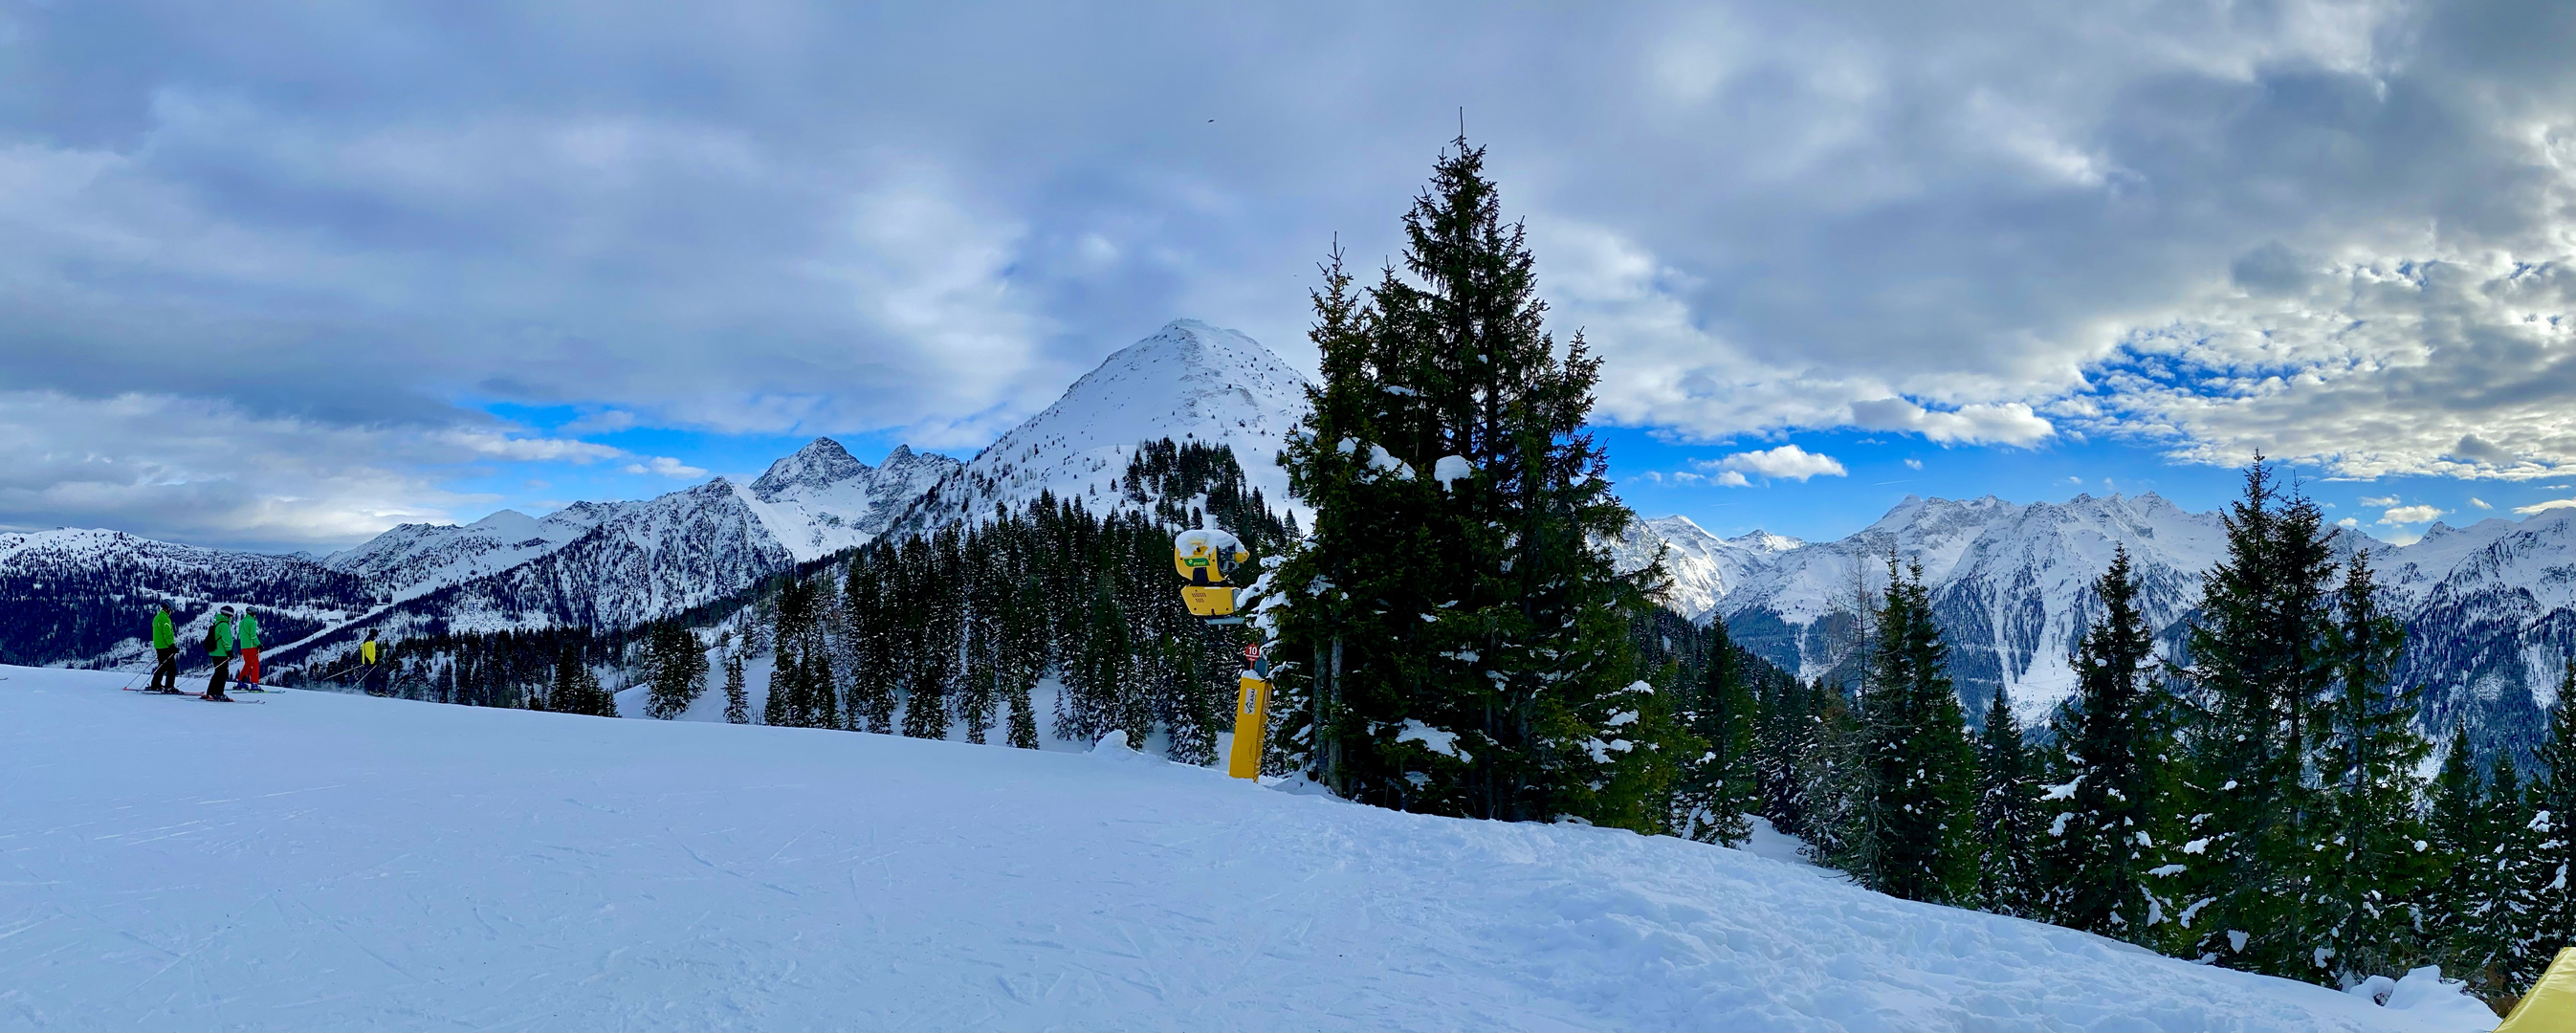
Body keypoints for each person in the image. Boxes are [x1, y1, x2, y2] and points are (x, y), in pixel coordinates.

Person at [203, 606, 235, 701]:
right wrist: (229, 651)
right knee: (223, 673)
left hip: (214, 652)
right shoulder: (224, 625)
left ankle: (211, 692)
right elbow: (227, 640)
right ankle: (218, 693)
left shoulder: (217, 622)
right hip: (221, 653)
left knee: (218, 673)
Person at [145, 603, 180, 692]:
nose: (172, 611)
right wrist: (172, 646)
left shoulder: (157, 618)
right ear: (168, 609)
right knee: (172, 668)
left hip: (159, 646)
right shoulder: (165, 619)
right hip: (166, 647)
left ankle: (155, 684)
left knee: (162, 666)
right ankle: (169, 687)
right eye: (171, 609)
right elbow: (167, 635)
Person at [234, 609, 262, 692]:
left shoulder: (241, 622)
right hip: (251, 647)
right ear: (253, 613)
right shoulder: (252, 622)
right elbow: (253, 636)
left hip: (243, 646)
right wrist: (259, 645)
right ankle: (254, 684)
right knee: (255, 664)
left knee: (247, 664)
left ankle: (241, 682)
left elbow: (239, 635)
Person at [359, 628, 382, 694]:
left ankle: (371, 690)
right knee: (372, 676)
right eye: (375, 636)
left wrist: (376, 657)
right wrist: (374, 660)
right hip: (369, 662)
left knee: (373, 676)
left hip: (371, 662)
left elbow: (372, 653)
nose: (376, 637)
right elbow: (368, 654)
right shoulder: (368, 642)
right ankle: (370, 690)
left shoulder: (371, 642)